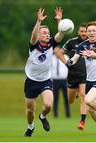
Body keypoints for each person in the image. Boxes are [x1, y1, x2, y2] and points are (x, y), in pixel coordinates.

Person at [24, 7, 65, 137]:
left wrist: (60, 21)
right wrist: (39, 22)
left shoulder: (51, 43)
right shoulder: (34, 44)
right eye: (44, 33)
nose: (47, 34)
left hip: (45, 80)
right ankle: (30, 127)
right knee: (30, 110)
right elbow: (33, 36)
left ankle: (42, 117)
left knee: (48, 105)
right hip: (31, 80)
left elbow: (60, 35)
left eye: (48, 33)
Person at [66, 21, 96, 136]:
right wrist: (70, 62)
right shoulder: (83, 45)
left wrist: (90, 54)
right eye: (89, 31)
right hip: (89, 79)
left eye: (93, 30)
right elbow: (75, 57)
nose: (91, 33)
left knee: (88, 100)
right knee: (90, 109)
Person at [57, 23, 87, 130]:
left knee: (84, 97)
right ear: (78, 32)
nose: (84, 33)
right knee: (70, 100)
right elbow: (59, 53)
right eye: (81, 31)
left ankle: (82, 122)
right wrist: (66, 63)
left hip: (85, 75)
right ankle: (76, 93)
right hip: (72, 75)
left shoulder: (90, 43)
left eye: (85, 31)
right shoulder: (71, 42)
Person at [52, 47, 70, 118]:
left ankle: (68, 114)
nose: (56, 53)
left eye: (57, 52)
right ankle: (55, 114)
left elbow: (69, 68)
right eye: (55, 52)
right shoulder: (51, 59)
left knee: (66, 98)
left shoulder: (66, 57)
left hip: (64, 80)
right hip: (55, 80)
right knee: (55, 98)